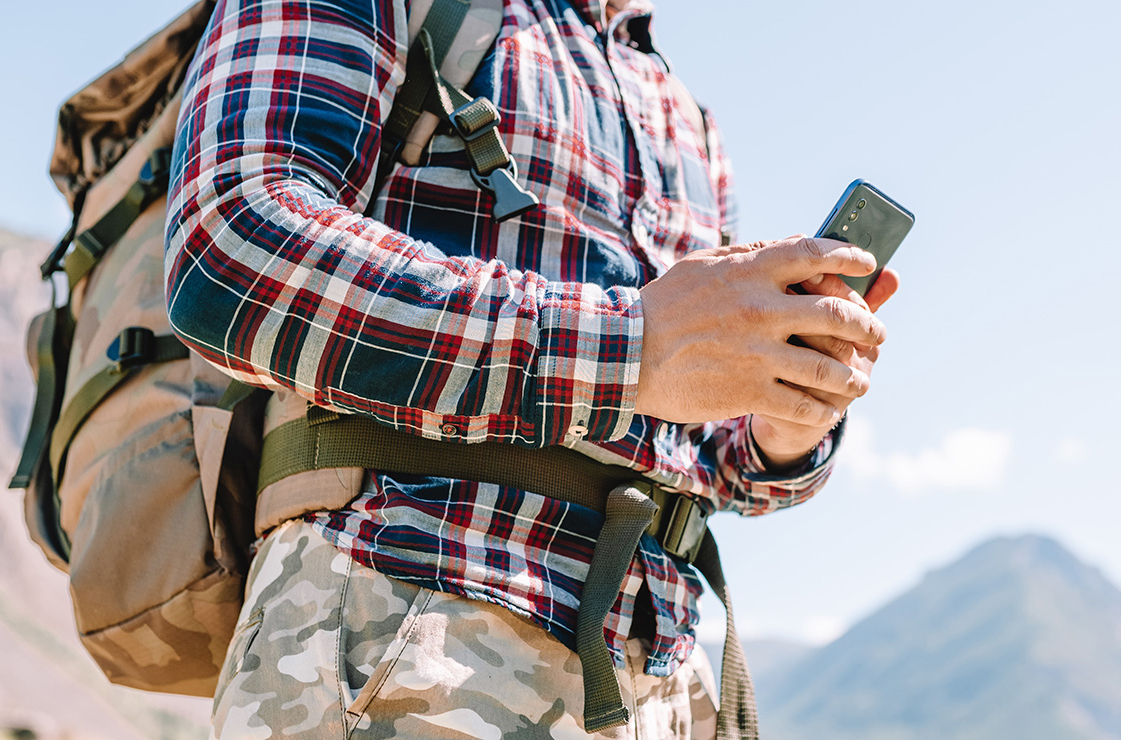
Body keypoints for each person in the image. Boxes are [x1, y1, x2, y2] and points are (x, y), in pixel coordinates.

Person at [164, 0, 898, 737]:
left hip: (664, 686)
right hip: (410, 627)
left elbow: (696, 446)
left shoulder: (684, 113)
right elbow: (230, 246)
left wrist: (784, 419)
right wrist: (633, 345)